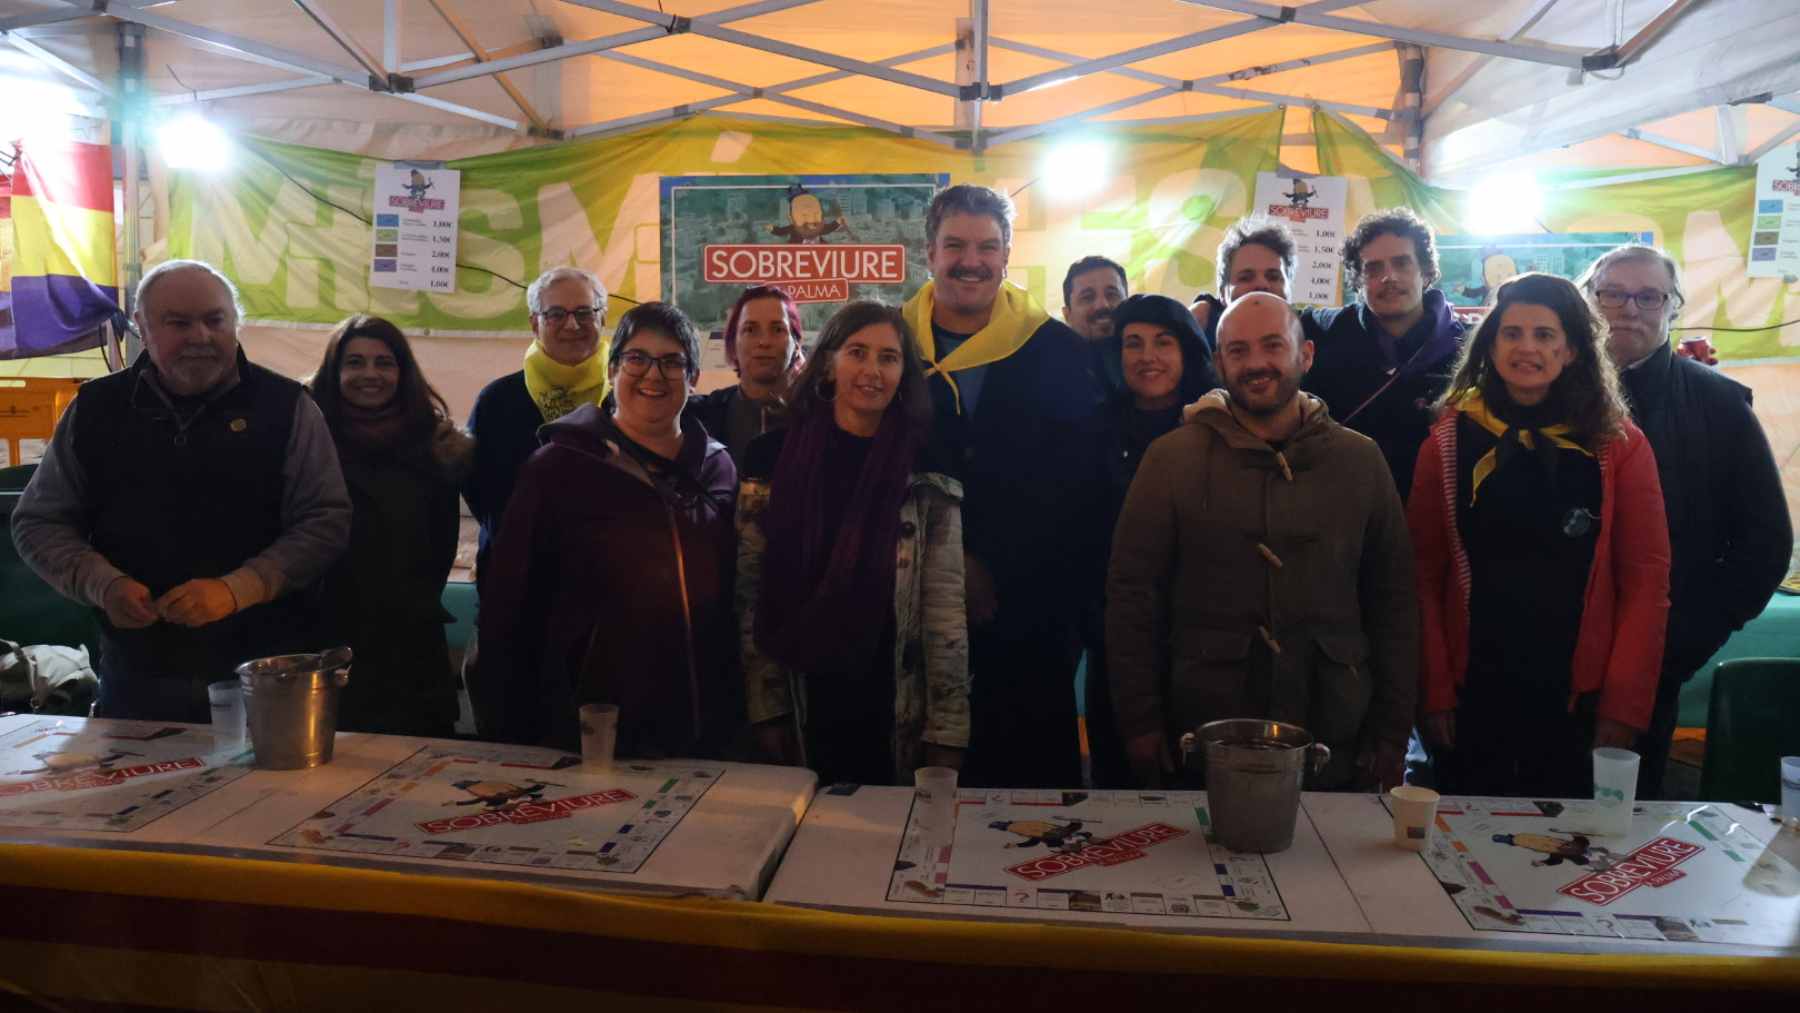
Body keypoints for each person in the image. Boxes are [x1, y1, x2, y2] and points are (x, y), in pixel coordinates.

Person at [11, 260, 351, 721]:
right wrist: (102, 583)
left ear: (235, 324)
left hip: (268, 674)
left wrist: (240, 589)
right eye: (179, 323)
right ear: (143, 329)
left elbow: (325, 520)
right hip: (136, 673)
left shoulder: (288, 407)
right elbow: (39, 521)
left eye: (215, 320)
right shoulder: (95, 409)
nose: (201, 336)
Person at [1107, 293, 1416, 791]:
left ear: (1306, 354)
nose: (1256, 364)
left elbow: (1394, 601)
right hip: (1204, 726)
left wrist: (1393, 729)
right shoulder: (1171, 460)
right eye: (1238, 350)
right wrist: (1140, 722)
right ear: (1218, 362)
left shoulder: (1361, 461)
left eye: (1273, 345)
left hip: (1333, 728)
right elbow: (1132, 597)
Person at [1409, 273, 1671, 798]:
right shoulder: (1447, 440)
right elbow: (1420, 575)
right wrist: (1433, 693)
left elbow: (1646, 581)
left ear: (1572, 349)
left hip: (1577, 700)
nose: (1526, 347)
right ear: (1491, 343)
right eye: (1512, 333)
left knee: (1564, 856)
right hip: (1472, 692)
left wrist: (1623, 706)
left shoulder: (1618, 445)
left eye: (1545, 335)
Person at [901, 184, 1104, 788]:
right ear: (928, 252)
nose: (973, 260)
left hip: (1028, 612)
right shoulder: (891, 345)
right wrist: (950, 561)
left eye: (988, 246)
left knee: (1029, 794)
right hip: (913, 603)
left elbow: (1078, 483)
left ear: (1008, 254)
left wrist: (996, 568)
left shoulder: (1055, 349)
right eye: (956, 244)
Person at [473, 303, 739, 757]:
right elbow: (509, 605)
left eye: (672, 361)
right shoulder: (558, 467)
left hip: (700, 719)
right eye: (637, 358)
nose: (652, 375)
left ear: (693, 379)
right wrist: (513, 728)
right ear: (612, 369)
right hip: (592, 721)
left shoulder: (718, 467)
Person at [1580, 247, 1791, 798]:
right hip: (1542, 660)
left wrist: (1682, 643)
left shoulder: (1718, 405)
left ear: (1674, 308)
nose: (1629, 308)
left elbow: (1765, 544)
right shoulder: (1543, 396)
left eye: (1649, 296)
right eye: (1612, 293)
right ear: (1589, 301)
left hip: (1654, 662)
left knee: (1620, 830)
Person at [736, 301, 969, 785]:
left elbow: (944, 604)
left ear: (904, 372)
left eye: (888, 357)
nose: (872, 370)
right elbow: (751, 595)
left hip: (894, 696)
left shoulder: (928, 466)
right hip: (802, 694)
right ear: (828, 363)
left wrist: (948, 729)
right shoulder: (770, 458)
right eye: (857, 352)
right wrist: (767, 708)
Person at [306, 314, 472, 738]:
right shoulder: (305, 441)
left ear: (403, 371)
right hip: (325, 640)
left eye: (384, 363)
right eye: (355, 362)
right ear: (334, 370)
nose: (370, 374)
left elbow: (440, 543)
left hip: (412, 647)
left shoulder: (437, 445)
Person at [1081, 294, 1218, 788]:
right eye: (1132, 344)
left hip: (1203, 634)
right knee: (1119, 778)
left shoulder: (1221, 427)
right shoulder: (1094, 427)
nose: (1147, 357)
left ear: (1187, 351)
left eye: (1163, 342)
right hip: (1116, 631)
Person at [1302, 208, 1465, 500]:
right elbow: (1266, 319)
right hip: (1345, 509)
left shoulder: (1465, 348)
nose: (1389, 277)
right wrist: (1210, 305)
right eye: (1373, 268)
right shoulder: (1327, 331)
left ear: (1426, 270)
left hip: (1434, 512)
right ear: (1357, 281)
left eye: (1402, 263)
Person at [464, 267, 610, 584]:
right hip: (516, 583)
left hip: (608, 583)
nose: (572, 324)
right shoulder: (496, 401)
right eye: (556, 314)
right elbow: (482, 494)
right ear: (535, 323)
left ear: (603, 319)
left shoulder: (626, 397)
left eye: (584, 312)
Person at [685, 285, 806, 467]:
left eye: (777, 329)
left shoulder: (818, 417)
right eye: (750, 330)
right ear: (733, 344)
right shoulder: (699, 417)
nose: (764, 342)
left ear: (796, 343)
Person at [1189, 217, 1298, 349]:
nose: (1262, 284)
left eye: (1273, 277)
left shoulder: (1312, 327)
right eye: (1245, 278)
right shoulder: (1200, 329)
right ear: (1223, 294)